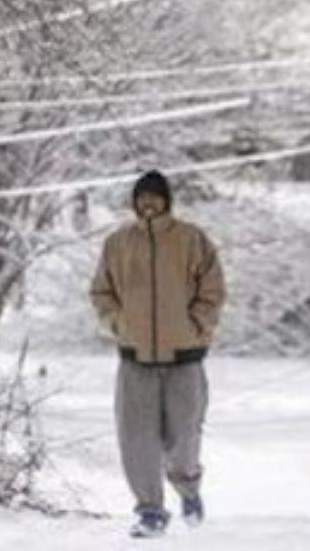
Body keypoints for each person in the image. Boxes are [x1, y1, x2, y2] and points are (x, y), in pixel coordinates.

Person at [90, 170, 226, 538]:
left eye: (155, 196)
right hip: (135, 361)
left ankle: (188, 487)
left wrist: (196, 324)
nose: (148, 202)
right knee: (137, 439)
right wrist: (117, 322)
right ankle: (150, 510)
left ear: (167, 200)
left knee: (184, 436)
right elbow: (101, 292)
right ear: (134, 202)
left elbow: (213, 289)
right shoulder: (117, 243)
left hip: (185, 359)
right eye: (142, 197)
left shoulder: (191, 240)